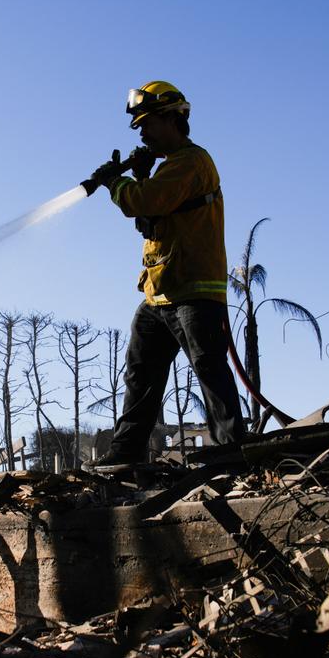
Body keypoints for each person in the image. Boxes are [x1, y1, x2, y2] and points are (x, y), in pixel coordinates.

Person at [85, 80, 245, 467]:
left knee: (208, 367)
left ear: (173, 119)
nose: (141, 133)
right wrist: (139, 176)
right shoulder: (170, 169)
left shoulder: (192, 161)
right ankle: (126, 452)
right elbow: (152, 215)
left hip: (193, 289)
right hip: (160, 292)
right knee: (140, 374)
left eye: (147, 123)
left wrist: (116, 182)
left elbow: (145, 202)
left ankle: (232, 450)